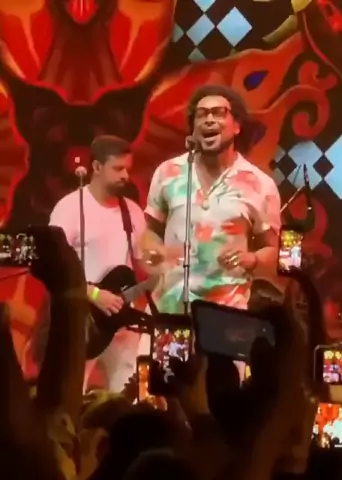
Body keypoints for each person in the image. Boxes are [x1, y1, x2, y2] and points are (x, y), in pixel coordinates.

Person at [140, 85, 281, 378]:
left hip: (226, 318)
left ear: (237, 125)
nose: (209, 120)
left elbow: (274, 251)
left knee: (222, 396)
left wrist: (252, 259)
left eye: (218, 113)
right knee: (163, 393)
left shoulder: (259, 184)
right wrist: (154, 251)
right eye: (201, 114)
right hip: (170, 311)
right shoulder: (168, 173)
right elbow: (149, 231)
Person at [49, 135, 146, 392]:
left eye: (128, 169)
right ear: (97, 167)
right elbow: (52, 266)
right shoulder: (69, 208)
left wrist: (169, 261)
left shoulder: (132, 211)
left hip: (123, 325)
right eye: (118, 168)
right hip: (81, 321)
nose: (126, 176)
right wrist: (94, 294)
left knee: (128, 398)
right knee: (70, 396)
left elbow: (146, 262)